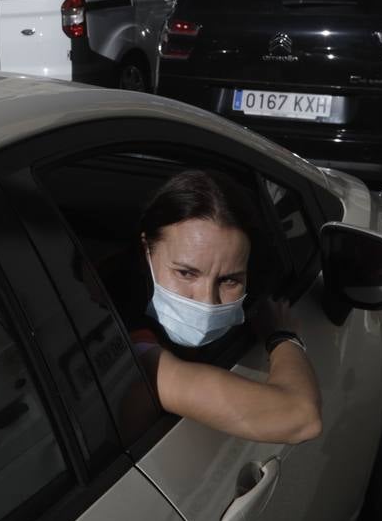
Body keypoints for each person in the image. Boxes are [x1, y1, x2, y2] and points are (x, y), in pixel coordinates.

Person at [129, 169, 322, 445]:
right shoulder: (136, 349)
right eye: (186, 273)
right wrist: (282, 337)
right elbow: (301, 417)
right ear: (147, 249)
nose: (207, 301)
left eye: (229, 280)